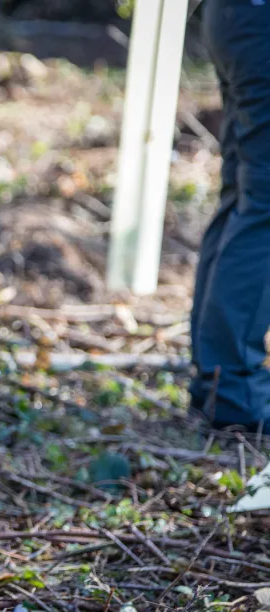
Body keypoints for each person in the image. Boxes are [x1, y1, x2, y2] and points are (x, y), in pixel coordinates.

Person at [190, 0, 270, 431]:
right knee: (262, 204)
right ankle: (234, 389)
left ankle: (217, 381)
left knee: (244, 193)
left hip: (236, 16)